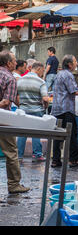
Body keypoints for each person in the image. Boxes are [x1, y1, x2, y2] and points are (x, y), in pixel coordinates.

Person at [51, 55, 78, 168]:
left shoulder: (59, 74)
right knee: (72, 134)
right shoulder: (68, 75)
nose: (76, 64)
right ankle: (73, 160)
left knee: (58, 136)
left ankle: (55, 160)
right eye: (75, 61)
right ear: (69, 64)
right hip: (66, 109)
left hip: (57, 109)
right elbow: (74, 91)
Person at [0, 50, 30, 194]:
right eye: (14, 60)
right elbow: (6, 102)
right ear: (8, 63)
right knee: (11, 152)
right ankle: (14, 184)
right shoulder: (10, 78)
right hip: (3, 119)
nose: (16, 63)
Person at [16, 61, 50, 163]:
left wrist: (20, 105)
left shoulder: (20, 80)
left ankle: (19, 156)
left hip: (23, 110)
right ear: (39, 69)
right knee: (36, 133)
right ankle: (37, 155)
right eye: (42, 71)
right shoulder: (41, 82)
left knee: (22, 133)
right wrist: (45, 107)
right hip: (37, 110)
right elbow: (45, 98)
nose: (42, 73)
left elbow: (16, 96)